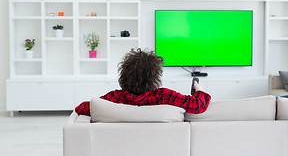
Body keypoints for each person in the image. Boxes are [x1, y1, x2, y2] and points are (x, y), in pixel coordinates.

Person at [75, 48, 211, 116]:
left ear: (124, 74)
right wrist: (199, 90)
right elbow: (198, 105)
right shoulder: (164, 96)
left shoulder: (115, 97)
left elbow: (81, 108)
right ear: (154, 76)